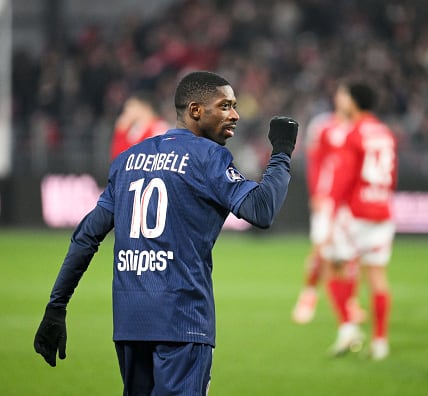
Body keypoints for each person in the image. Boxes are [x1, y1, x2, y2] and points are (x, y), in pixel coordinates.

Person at [33, 71, 299, 395]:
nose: (235, 115)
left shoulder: (127, 160)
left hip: (131, 323)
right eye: (226, 105)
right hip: (183, 321)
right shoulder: (208, 157)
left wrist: (56, 307)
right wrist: (282, 153)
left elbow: (86, 236)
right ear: (196, 110)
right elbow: (261, 210)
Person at [321, 81, 397, 361]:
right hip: (382, 211)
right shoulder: (385, 132)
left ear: (353, 102)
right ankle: (380, 342)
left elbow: (344, 177)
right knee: (377, 276)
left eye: (344, 96)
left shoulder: (354, 134)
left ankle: (348, 327)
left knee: (332, 265)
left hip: (355, 213)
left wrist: (330, 214)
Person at [291, 110, 366, 325]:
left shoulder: (359, 129)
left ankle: (350, 303)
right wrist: (316, 193)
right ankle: (309, 294)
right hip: (328, 199)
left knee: (350, 256)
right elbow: (315, 162)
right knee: (321, 251)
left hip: (350, 202)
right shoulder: (323, 126)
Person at [110, 91, 170, 160]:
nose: (126, 110)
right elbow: (119, 158)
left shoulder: (159, 128)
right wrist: (120, 132)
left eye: (131, 106)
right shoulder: (135, 128)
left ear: (145, 108)